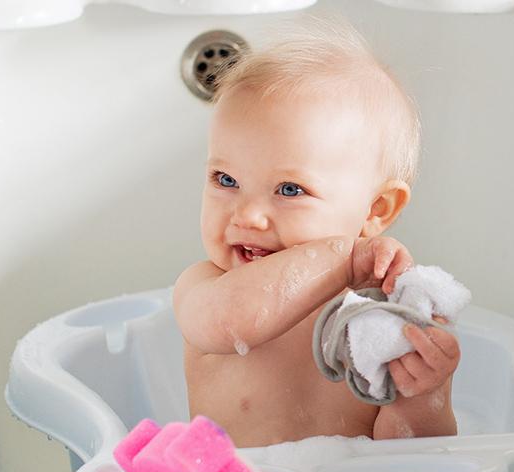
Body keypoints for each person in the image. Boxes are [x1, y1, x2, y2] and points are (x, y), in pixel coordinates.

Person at [173, 19, 461, 448]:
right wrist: (344, 258)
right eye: (226, 180)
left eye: (290, 190)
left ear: (377, 209)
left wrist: (423, 394)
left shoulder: (378, 316)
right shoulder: (206, 287)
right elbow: (234, 321)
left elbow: (414, 459)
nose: (248, 216)